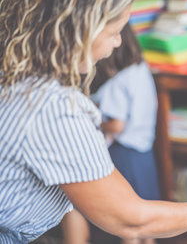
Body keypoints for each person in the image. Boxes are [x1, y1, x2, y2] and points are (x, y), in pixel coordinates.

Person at [0, 0, 187, 244]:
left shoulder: (15, 77)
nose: (119, 42)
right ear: (81, 29)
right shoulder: (54, 107)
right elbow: (130, 219)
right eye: (114, 32)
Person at [61, 23, 161, 244]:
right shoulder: (141, 70)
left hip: (124, 155)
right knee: (147, 220)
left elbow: (117, 125)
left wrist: (94, 123)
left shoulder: (119, 81)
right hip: (145, 154)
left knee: (128, 223)